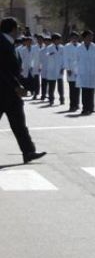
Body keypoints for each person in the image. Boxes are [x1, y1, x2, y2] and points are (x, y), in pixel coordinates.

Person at [0, 17, 46, 163]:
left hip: (11, 94)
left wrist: (26, 85)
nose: (19, 31)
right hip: (3, 91)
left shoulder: (8, 42)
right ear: (13, 29)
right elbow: (2, 70)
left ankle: (28, 152)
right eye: (18, 28)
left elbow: (13, 69)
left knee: (19, 124)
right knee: (19, 123)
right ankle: (28, 151)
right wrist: (16, 86)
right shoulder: (2, 43)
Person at [75, 30, 95, 115]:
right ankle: (85, 108)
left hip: (92, 71)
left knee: (91, 90)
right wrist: (76, 71)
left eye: (91, 36)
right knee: (84, 91)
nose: (91, 38)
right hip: (83, 72)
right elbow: (76, 60)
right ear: (84, 37)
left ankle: (91, 107)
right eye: (89, 36)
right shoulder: (79, 48)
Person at [41, 33, 65, 107]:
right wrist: (49, 54)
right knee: (51, 86)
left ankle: (61, 99)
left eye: (60, 39)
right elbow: (46, 55)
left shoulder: (62, 47)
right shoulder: (49, 47)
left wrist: (63, 67)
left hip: (60, 68)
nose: (59, 41)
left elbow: (64, 58)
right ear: (54, 40)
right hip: (51, 69)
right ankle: (51, 99)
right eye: (58, 39)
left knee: (60, 86)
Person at [63, 32, 81, 112]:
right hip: (70, 69)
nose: (74, 39)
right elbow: (65, 58)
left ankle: (77, 104)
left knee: (78, 88)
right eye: (73, 38)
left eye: (76, 38)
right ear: (70, 38)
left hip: (79, 69)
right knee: (72, 88)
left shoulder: (81, 46)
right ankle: (72, 105)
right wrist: (68, 69)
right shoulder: (67, 46)